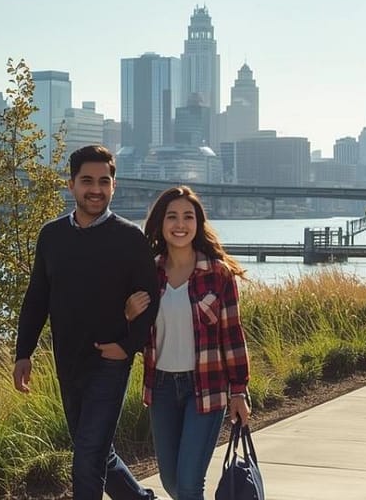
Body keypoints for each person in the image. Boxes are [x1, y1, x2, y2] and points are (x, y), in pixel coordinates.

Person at [13, 144, 161, 500]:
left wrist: (126, 347)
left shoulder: (130, 238)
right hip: (68, 360)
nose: (95, 188)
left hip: (110, 361)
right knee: (95, 449)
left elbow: (150, 302)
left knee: (87, 455)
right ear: (71, 185)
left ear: (114, 186)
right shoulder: (51, 235)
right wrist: (23, 352)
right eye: (87, 181)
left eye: (103, 181)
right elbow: (37, 299)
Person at [125, 185, 251, 500]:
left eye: (187, 217)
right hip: (162, 388)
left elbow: (232, 334)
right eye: (172, 217)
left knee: (190, 484)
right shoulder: (147, 272)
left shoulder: (218, 274)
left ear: (198, 224)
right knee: (172, 482)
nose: (180, 224)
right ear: (160, 223)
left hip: (206, 388)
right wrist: (127, 315)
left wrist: (239, 391)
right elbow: (136, 334)